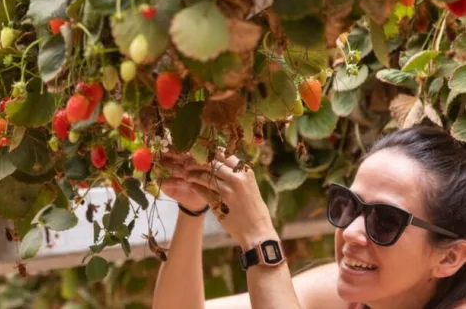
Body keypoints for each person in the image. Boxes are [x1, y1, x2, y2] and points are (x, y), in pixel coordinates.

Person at [152, 126, 466, 309]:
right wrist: (193, 209)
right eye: (349, 205)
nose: (352, 232)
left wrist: (260, 238)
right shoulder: (347, 293)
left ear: (450, 257)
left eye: (385, 221)